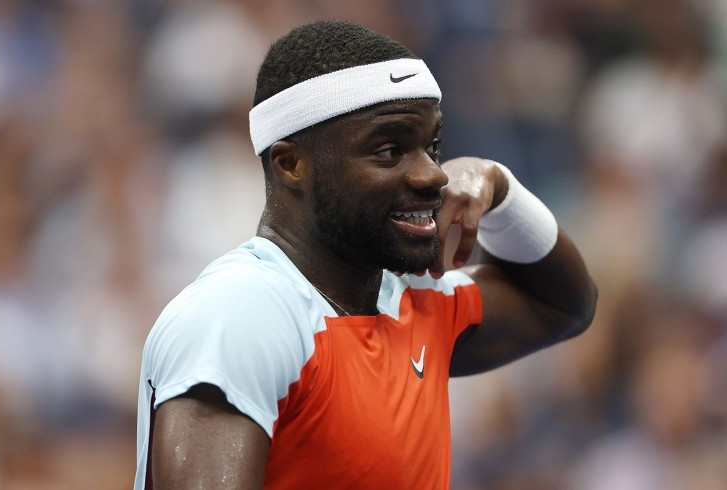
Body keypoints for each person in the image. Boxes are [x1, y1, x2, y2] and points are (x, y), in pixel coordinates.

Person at [134, 20, 597, 489]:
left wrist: (498, 185)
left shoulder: (412, 303)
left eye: (432, 146)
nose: (433, 175)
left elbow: (563, 305)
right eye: (390, 151)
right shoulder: (240, 314)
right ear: (292, 164)